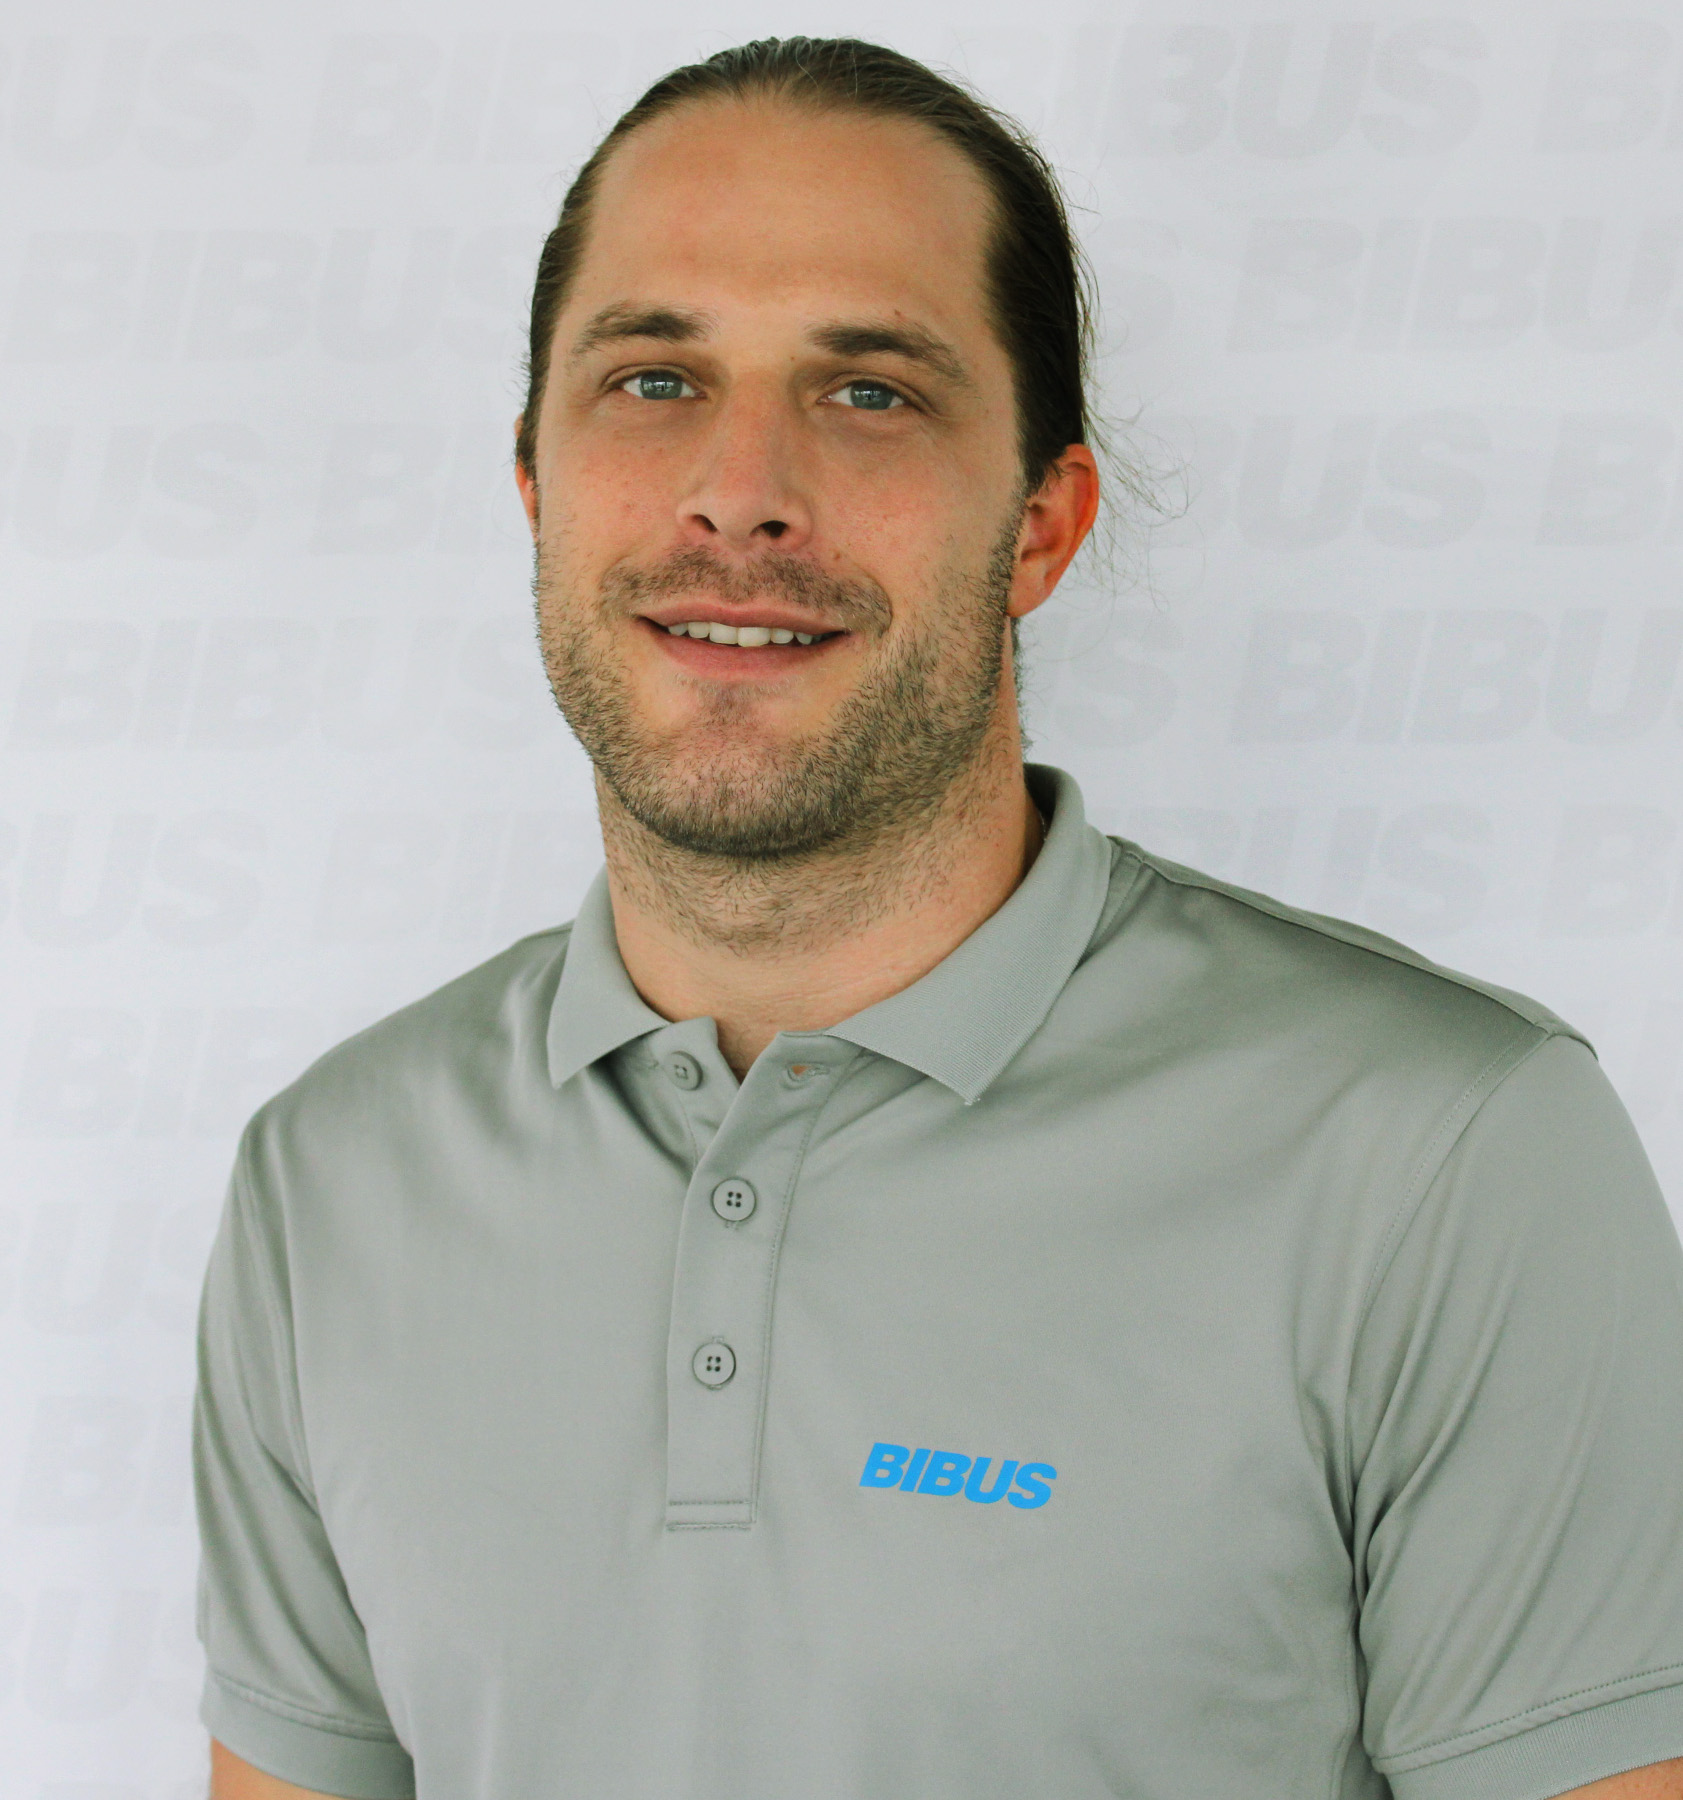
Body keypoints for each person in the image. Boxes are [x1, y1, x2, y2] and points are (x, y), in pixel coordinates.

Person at [194, 37, 1683, 1800]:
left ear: (1041, 526)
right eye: (654, 378)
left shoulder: (1445, 1155)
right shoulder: (329, 1184)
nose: (740, 487)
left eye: (869, 391)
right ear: (535, 484)